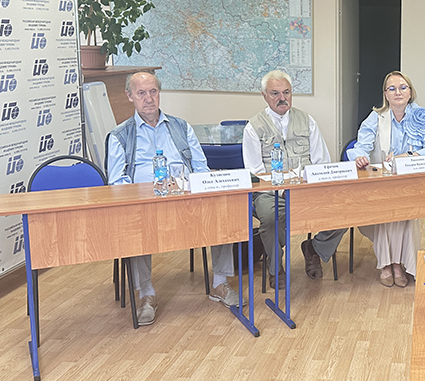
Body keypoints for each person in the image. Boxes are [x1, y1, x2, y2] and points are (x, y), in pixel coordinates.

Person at [107, 72, 237, 326]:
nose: (148, 99)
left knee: (222, 210)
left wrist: (197, 187)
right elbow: (117, 182)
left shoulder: (181, 126)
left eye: (153, 92)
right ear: (129, 96)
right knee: (133, 222)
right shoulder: (119, 135)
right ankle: (146, 294)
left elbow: (200, 166)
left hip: (185, 197)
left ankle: (220, 283)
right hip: (145, 203)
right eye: (141, 93)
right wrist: (143, 194)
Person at [242, 70, 346, 282]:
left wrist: (311, 188)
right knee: (270, 219)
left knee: (343, 211)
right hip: (269, 192)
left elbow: (322, 161)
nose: (282, 98)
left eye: (286, 92)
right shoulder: (254, 126)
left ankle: (314, 249)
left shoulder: (307, 121)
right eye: (275, 93)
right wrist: (281, 190)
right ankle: (275, 267)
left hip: (306, 188)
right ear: (264, 96)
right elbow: (255, 171)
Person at [346, 71, 425, 287]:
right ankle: (387, 265)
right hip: (382, 182)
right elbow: (361, 145)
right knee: (386, 212)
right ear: (385, 94)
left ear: (410, 92)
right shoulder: (376, 117)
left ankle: (398, 264)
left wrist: (408, 155)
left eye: (403, 87)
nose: (398, 92)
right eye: (392, 88)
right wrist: (360, 156)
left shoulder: (421, 117)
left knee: (404, 214)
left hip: (410, 181)